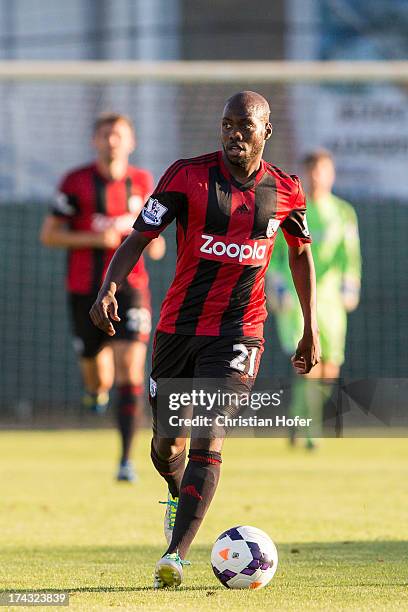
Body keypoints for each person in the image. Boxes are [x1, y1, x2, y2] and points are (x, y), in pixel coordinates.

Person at [90, 92, 320, 587]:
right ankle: (177, 493)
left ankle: (176, 553)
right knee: (165, 444)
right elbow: (139, 237)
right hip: (178, 329)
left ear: (266, 132)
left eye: (246, 126)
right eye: (227, 124)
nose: (235, 133)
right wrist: (109, 285)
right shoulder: (186, 176)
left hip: (240, 331)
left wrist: (310, 325)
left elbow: (300, 255)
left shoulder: (286, 190)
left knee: (209, 434)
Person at [40, 112, 165, 482]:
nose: (112, 141)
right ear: (94, 141)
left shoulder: (143, 182)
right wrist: (98, 238)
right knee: (98, 376)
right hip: (85, 290)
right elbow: (49, 235)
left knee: (130, 366)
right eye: (105, 134)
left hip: (132, 289)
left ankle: (126, 460)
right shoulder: (76, 182)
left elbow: (156, 246)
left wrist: (147, 244)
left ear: (132, 142)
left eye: (119, 135)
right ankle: (96, 392)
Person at [267, 148, 361, 447]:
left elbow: (351, 256)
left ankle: (298, 416)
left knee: (330, 369)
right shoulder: (293, 210)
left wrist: (351, 284)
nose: (317, 176)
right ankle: (310, 432)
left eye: (323, 170)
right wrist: (277, 286)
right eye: (312, 170)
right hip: (299, 297)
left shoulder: (343, 212)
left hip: (331, 300)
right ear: (304, 174)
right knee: (308, 362)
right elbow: (278, 255)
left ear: (331, 174)